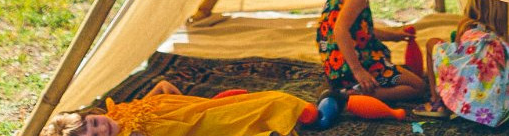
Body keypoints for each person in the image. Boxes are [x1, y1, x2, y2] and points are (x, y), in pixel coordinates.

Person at [416, 0, 509, 126]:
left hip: (468, 93)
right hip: (498, 96)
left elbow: (460, 56)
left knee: (432, 43)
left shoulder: (466, 26)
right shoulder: (501, 41)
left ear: (472, 5)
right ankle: (498, 114)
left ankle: (438, 102)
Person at [39, 80, 317, 136]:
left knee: (255, 101)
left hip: (196, 111)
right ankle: (307, 118)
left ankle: (298, 112)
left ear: (92, 115)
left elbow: (159, 89)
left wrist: (183, 101)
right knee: (256, 112)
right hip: (199, 128)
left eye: (94, 123)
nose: (102, 129)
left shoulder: (117, 112)